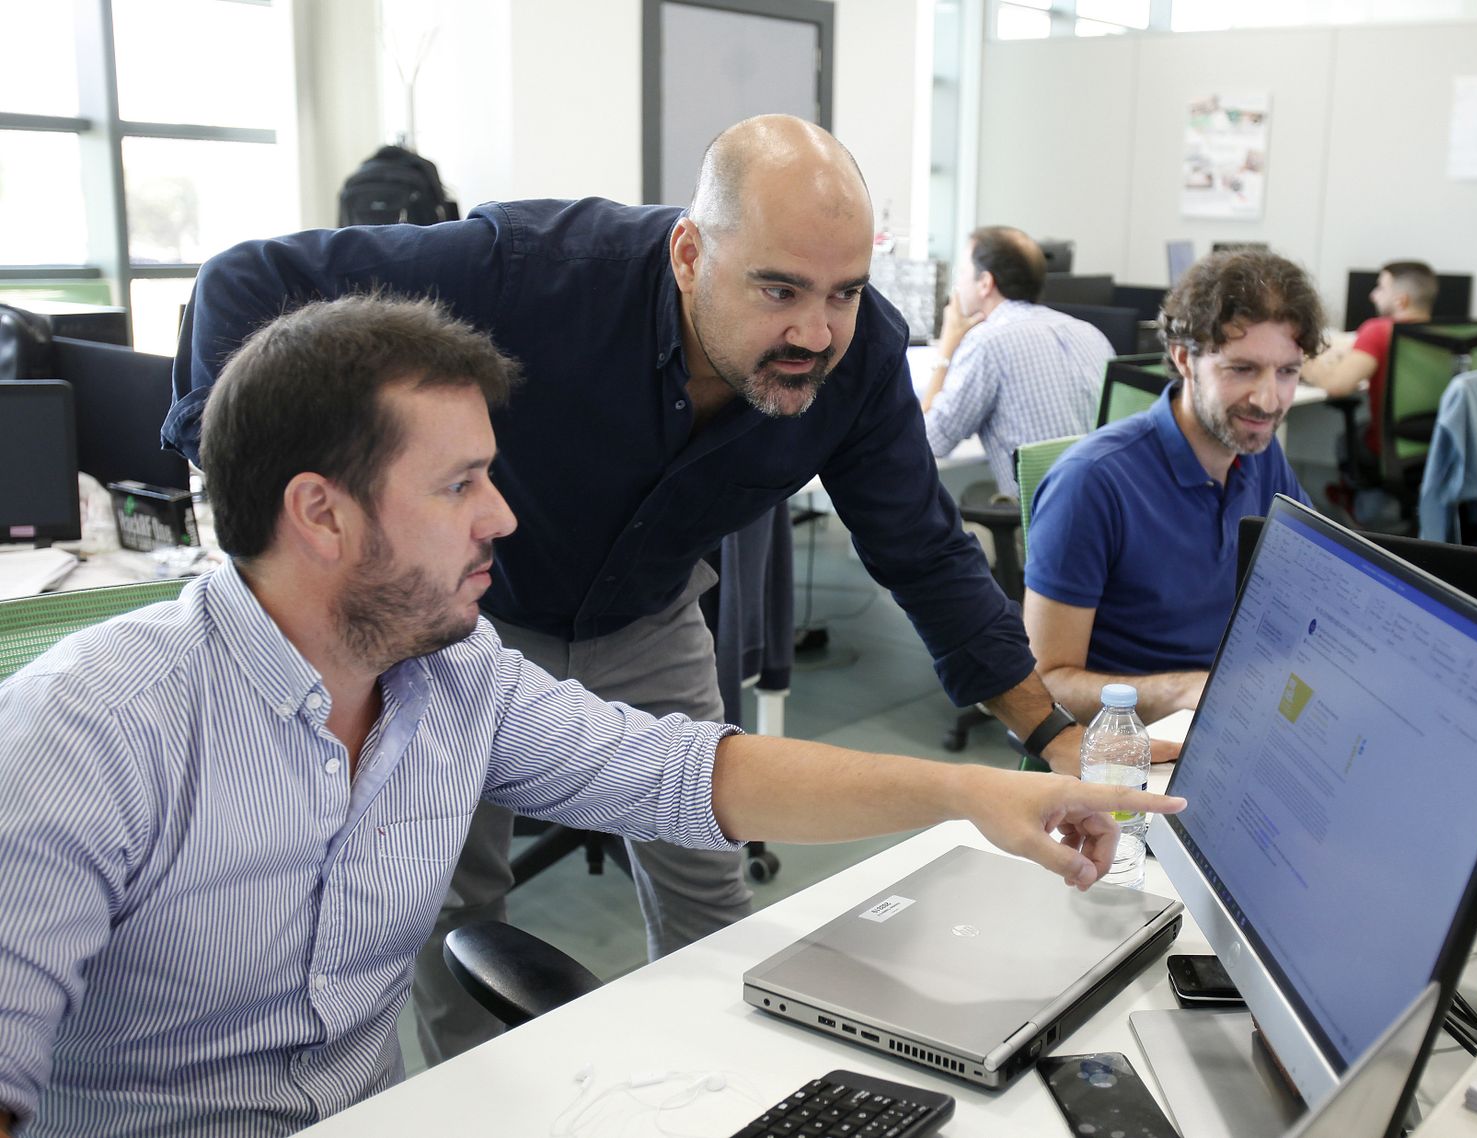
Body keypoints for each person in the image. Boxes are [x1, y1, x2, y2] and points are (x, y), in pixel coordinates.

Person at [0, 295, 1184, 1138]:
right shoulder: (90, 735)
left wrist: (968, 789)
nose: (504, 518)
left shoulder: (453, 677)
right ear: (321, 513)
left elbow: (688, 775)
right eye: (460, 483)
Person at [159, 115, 1100, 1065]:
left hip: (649, 616)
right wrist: (268, 513)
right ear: (690, 253)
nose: (816, 332)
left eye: (844, 294)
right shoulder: (532, 271)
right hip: (470, 631)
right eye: (779, 288)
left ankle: (720, 1086)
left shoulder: (854, 364)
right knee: (452, 902)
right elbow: (246, 277)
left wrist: (1048, 737)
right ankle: (467, 1105)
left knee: (709, 880)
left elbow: (923, 551)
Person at [1022, 250, 1322, 726]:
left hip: (1235, 710)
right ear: (1185, 358)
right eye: (1242, 369)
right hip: (1136, 741)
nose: (1268, 400)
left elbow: (1310, 584)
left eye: (1287, 371)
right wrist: (1186, 689)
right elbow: (1046, 686)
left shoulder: (1261, 456)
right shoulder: (1092, 483)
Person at [922, 226, 1113, 500]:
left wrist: (948, 345)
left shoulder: (987, 342)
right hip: (1103, 518)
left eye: (962, 272)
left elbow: (928, 441)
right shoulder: (1090, 333)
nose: (958, 284)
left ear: (985, 283)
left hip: (1042, 526)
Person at [1300, 260, 1437, 489]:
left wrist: (1301, 357)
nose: (1373, 295)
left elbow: (1337, 385)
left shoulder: (1379, 331)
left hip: (1387, 450)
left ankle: (1356, 503)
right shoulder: (1447, 337)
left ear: (1400, 300)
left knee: (1346, 441)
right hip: (1434, 452)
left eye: (1381, 288)